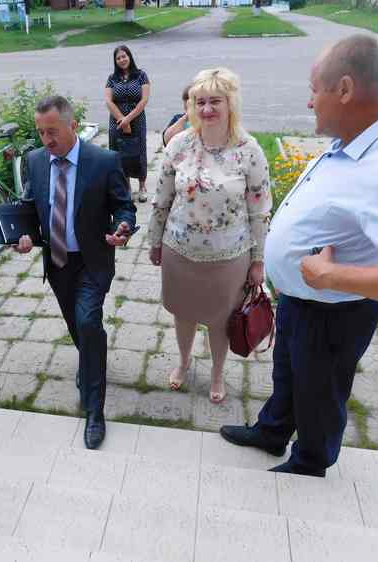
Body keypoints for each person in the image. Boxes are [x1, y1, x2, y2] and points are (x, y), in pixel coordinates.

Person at [220, 35, 378, 477]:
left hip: (333, 311)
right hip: (302, 298)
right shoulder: (353, 140)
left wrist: (330, 276)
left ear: (344, 90)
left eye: (314, 90)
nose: (309, 103)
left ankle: (310, 464)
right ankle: (272, 431)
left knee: (319, 394)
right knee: (289, 376)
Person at [14, 95, 136, 449]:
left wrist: (124, 227)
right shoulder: (36, 160)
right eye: (40, 132)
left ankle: (95, 411)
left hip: (92, 261)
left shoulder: (104, 161)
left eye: (52, 131)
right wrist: (23, 235)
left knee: (88, 323)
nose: (46, 140)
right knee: (76, 324)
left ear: (73, 125)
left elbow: (124, 207)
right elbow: (29, 206)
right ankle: (90, 363)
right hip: (57, 261)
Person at [148, 68, 272, 404]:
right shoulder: (179, 144)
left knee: (221, 321)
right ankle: (184, 361)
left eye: (214, 101)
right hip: (179, 252)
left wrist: (258, 260)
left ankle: (217, 373)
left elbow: (260, 210)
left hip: (228, 258)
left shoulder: (249, 150)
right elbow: (162, 199)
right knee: (183, 313)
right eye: (199, 102)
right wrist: (155, 242)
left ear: (230, 104)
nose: (206, 109)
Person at [104, 45, 151, 203]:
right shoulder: (112, 78)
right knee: (119, 154)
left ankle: (142, 187)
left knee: (139, 152)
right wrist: (122, 120)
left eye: (124, 56)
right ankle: (127, 187)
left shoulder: (141, 76)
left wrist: (128, 119)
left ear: (129, 57)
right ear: (115, 61)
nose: (122, 60)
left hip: (137, 119)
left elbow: (144, 100)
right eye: (118, 58)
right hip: (116, 121)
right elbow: (108, 101)